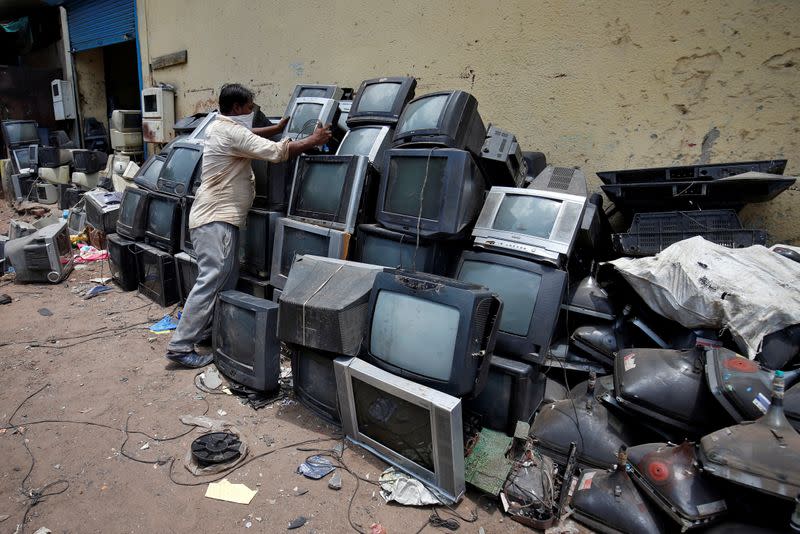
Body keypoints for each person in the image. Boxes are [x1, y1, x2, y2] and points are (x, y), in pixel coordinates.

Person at [165, 83, 332, 368]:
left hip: (217, 219)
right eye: (250, 106)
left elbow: (249, 135)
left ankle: (204, 332)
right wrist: (312, 141)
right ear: (237, 108)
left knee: (224, 281)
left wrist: (278, 126)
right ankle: (180, 346)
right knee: (211, 281)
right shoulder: (230, 131)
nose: (253, 110)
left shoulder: (221, 126)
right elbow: (277, 153)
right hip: (215, 219)